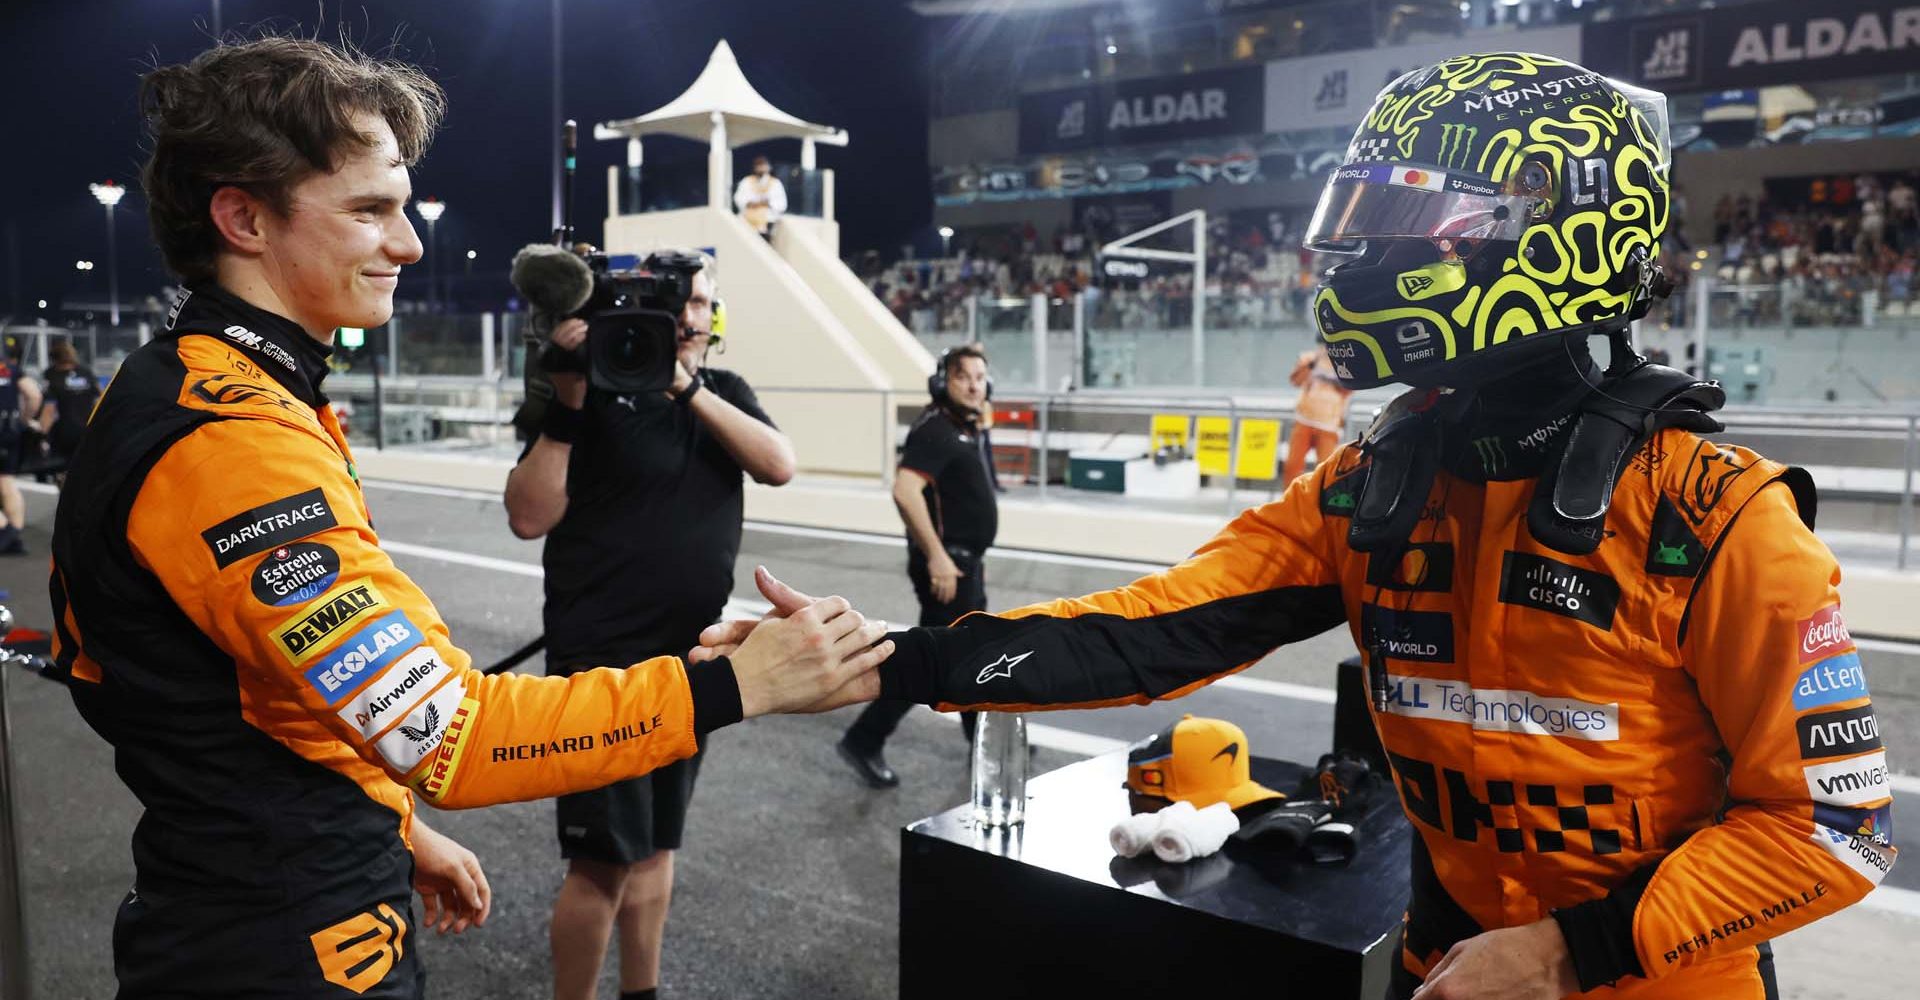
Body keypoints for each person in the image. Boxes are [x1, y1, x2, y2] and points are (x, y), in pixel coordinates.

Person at [702, 54, 1896, 999]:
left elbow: (1837, 830)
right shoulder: (1375, 480)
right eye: (1359, 213)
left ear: (1557, 234)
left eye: (1405, 219)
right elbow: (1149, 631)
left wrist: (1569, 951)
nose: (1358, 252)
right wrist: (889, 657)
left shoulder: (1717, 515)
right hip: (1446, 972)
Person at [50, 37, 891, 999]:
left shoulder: (202, 381)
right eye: (370, 211)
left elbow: (263, 699)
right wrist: (739, 687)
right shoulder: (230, 438)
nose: (409, 244)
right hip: (283, 944)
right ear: (242, 217)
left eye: (403, 209)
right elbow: (454, 733)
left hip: (268, 897)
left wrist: (392, 828)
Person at [503, 254, 796, 1000]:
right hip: (601, 667)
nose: (693, 317)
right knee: (601, 862)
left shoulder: (719, 393)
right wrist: (568, 396)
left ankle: (643, 992)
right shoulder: (585, 391)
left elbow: (778, 464)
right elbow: (529, 515)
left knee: (659, 846)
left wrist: (685, 386)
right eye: (680, 305)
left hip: (690, 661)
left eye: (703, 303)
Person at [836, 345, 995, 788]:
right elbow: (906, 491)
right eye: (963, 376)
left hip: (964, 565)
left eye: (980, 377)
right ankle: (864, 738)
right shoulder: (935, 429)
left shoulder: (962, 428)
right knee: (940, 660)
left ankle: (982, 739)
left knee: (965, 655)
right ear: (943, 381)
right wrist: (938, 557)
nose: (974, 384)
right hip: (949, 568)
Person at [1282, 343, 1352, 482]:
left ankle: (1320, 501)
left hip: (1329, 424)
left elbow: (1348, 389)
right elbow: (1296, 380)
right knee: (1292, 465)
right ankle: (1291, 499)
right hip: (1304, 420)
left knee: (1326, 469)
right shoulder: (1309, 358)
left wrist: (1335, 379)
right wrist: (1309, 365)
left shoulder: (1345, 363)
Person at [37, 340, 102, 484]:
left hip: (63, 431)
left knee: (62, 471)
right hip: (88, 428)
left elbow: (49, 409)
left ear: (53, 358)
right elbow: (100, 398)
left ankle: (67, 501)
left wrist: (41, 434)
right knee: (86, 469)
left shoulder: (52, 375)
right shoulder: (86, 372)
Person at [0, 347, 42, 554]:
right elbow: (33, 394)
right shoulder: (7, 368)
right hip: (8, 429)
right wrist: (25, 419)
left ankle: (5, 530)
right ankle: (14, 536)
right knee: (6, 480)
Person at [732, 155, 787, 237]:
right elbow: (739, 198)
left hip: (768, 221)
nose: (761, 168)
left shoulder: (775, 183)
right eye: (759, 166)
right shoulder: (746, 181)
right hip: (747, 219)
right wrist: (750, 203)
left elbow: (782, 204)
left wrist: (767, 203)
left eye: (763, 165)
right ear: (754, 168)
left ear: (769, 167)